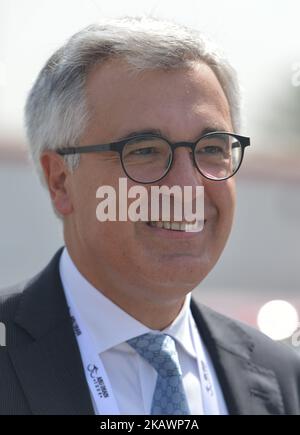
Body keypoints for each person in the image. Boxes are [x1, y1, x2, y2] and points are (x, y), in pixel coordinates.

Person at [0, 16, 299, 415]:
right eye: (144, 150)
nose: (188, 187)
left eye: (211, 148)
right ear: (60, 181)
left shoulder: (282, 380)